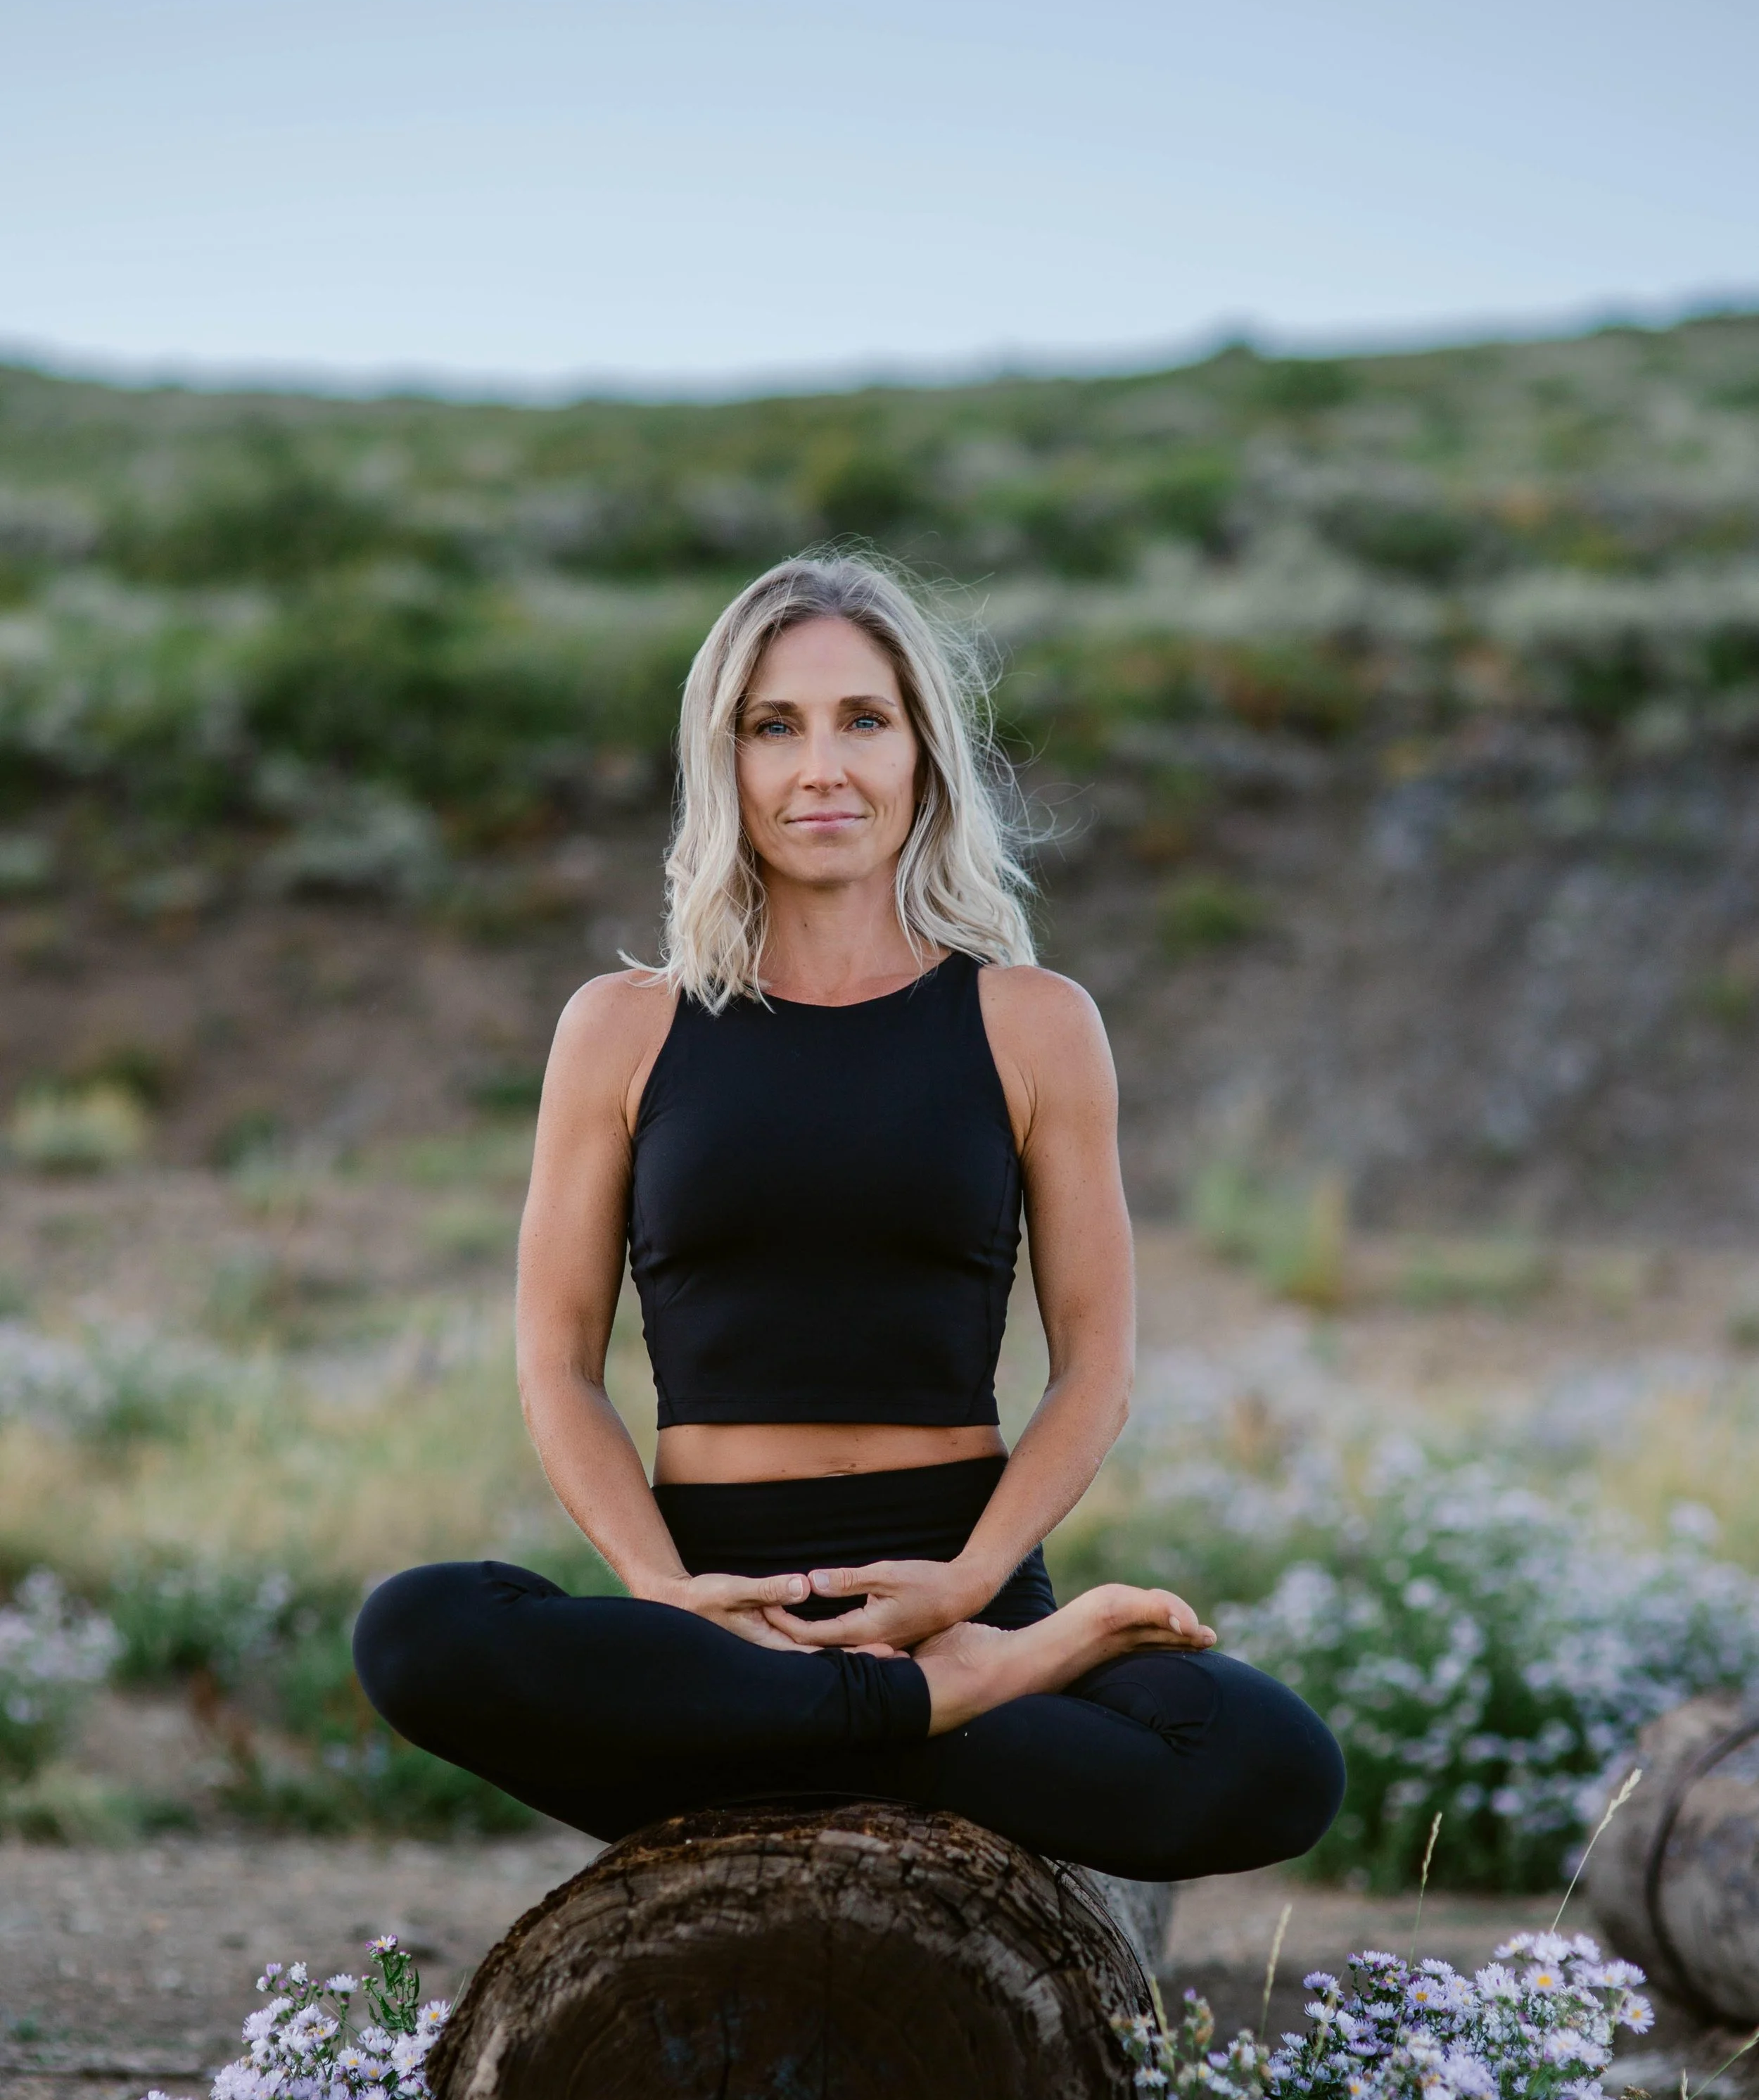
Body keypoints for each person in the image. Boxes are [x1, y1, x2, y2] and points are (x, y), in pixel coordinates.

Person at [353, 555, 1343, 1882]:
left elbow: (1096, 1368)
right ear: (726, 761)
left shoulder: (1034, 1022)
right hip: (719, 1598)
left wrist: (969, 1591)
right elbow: (558, 1364)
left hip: (959, 1581)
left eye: (863, 720)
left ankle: (807, 1730)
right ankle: (934, 1708)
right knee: (413, 1631)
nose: (821, 768)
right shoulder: (620, 1029)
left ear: (923, 753)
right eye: (776, 726)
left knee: (1274, 1761)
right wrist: (667, 1597)